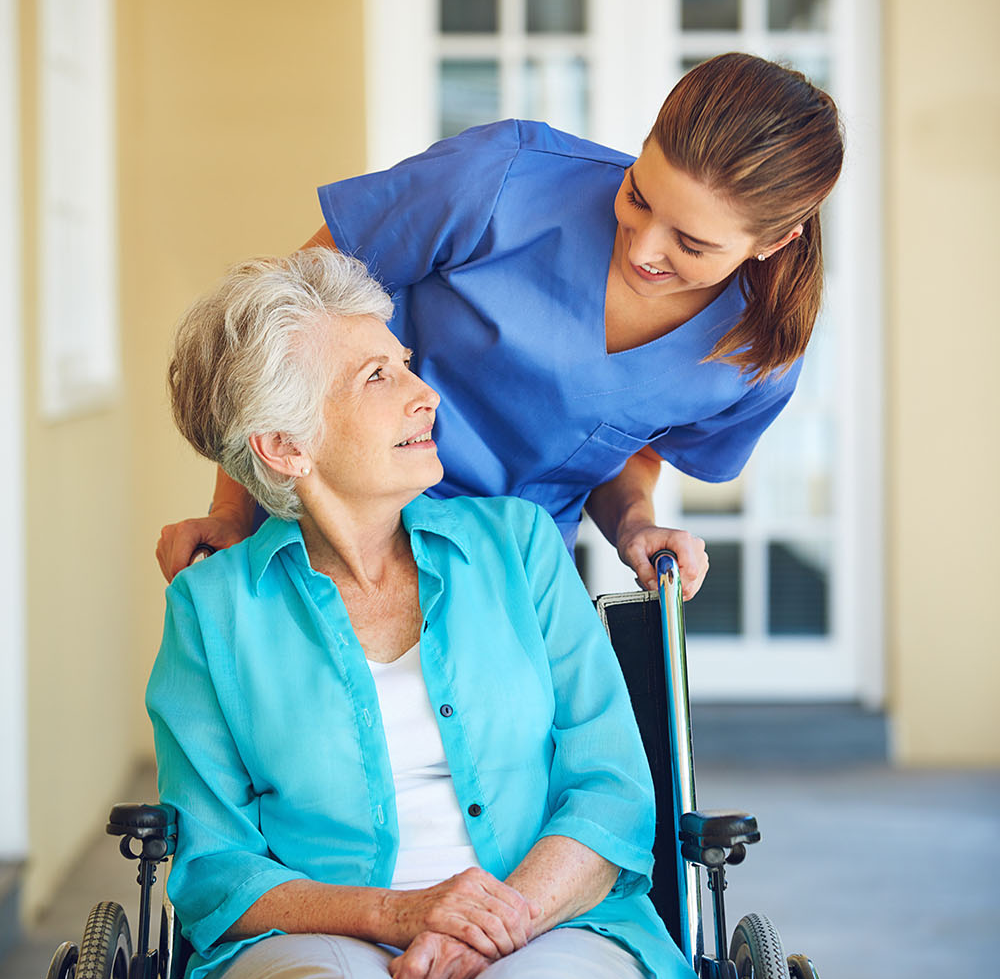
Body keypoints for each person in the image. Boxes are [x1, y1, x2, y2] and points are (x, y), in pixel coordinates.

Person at [148, 249, 707, 979]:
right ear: (284, 446)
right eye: (378, 376)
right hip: (312, 947)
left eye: (405, 363)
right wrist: (400, 916)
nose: (424, 394)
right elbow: (214, 869)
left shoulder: (520, 550)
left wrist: (497, 923)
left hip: (557, 927)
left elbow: (611, 790)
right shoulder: (215, 609)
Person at [156, 52, 844, 601]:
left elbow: (627, 448)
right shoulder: (497, 180)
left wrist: (635, 525)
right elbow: (274, 335)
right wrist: (229, 514)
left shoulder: (758, 357)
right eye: (637, 194)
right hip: (332, 532)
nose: (642, 248)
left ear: (774, 242)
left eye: (690, 245)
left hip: (510, 583)